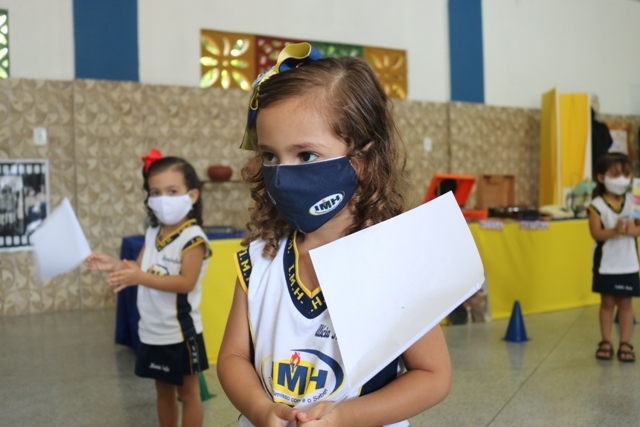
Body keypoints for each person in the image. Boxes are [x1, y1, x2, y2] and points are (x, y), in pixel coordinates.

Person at [217, 42, 451, 427]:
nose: (282, 174)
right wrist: (260, 410)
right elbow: (233, 357)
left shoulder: (393, 261)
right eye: (270, 156)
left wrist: (342, 418)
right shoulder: (260, 259)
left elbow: (432, 375)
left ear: (361, 162)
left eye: (306, 155)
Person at [86, 151, 211, 427]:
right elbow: (141, 268)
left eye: (172, 191)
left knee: (188, 394)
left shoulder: (194, 239)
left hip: (181, 333)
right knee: (162, 391)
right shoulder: (154, 232)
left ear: (192, 195)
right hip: (152, 331)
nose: (163, 199)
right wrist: (113, 263)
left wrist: (139, 277)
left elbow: (185, 282)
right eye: (156, 192)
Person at [587, 152, 639, 362]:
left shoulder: (633, 201)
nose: (622, 180)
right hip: (606, 264)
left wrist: (632, 230)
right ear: (601, 177)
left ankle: (625, 342)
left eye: (626, 174)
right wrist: (614, 231)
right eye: (615, 175)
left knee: (626, 304)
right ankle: (606, 341)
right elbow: (596, 233)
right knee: (607, 303)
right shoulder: (596, 205)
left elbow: (638, 228)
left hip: (628, 263)